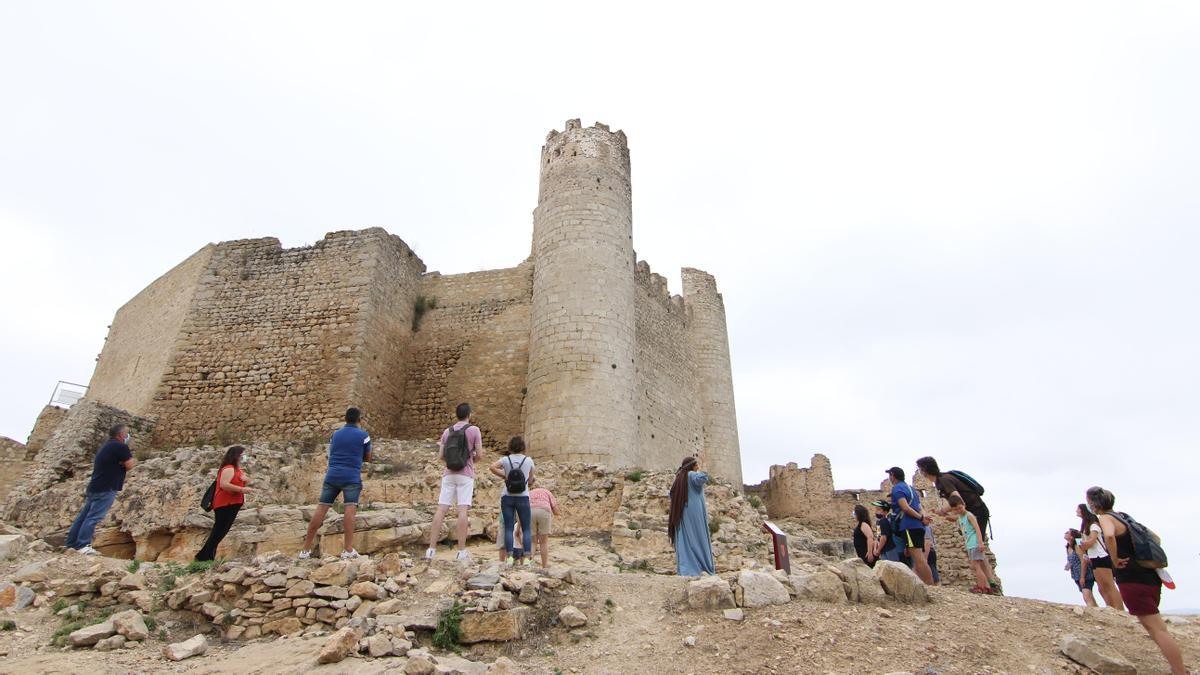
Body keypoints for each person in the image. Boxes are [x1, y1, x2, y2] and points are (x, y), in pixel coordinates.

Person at [1088, 486, 1186, 675]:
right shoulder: (1124, 517)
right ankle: (1178, 670)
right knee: (1155, 628)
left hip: (1133, 579)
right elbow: (1155, 537)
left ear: (1094, 503)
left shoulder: (1105, 519)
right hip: (1150, 576)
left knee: (1157, 630)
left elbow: (1108, 535)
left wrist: (1115, 560)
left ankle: (1180, 671)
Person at [916, 456, 999, 593]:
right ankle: (990, 584)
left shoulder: (943, 481)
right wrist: (950, 515)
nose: (920, 473)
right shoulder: (942, 480)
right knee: (978, 552)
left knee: (977, 550)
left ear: (925, 470)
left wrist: (944, 510)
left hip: (976, 512)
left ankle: (987, 586)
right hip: (976, 511)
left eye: (920, 469)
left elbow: (957, 499)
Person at [299, 407, 372, 560]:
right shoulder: (364, 436)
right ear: (359, 420)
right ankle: (348, 549)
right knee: (349, 510)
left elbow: (333, 452)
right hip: (351, 476)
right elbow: (368, 457)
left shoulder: (335, 435)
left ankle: (305, 550)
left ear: (345, 419)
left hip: (332, 475)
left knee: (321, 509)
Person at [66, 424, 136, 555]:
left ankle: (71, 544)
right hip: (107, 487)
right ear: (121, 435)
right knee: (93, 517)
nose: (128, 436)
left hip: (95, 486)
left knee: (83, 516)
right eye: (127, 433)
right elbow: (130, 464)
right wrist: (124, 462)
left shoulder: (106, 446)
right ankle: (83, 545)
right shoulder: (120, 446)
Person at [425, 403, 482, 563]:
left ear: (456, 415)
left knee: (441, 509)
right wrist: (470, 460)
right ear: (469, 415)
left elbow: (441, 456)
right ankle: (461, 551)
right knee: (462, 510)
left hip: (448, 474)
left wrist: (452, 461)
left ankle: (431, 549)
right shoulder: (474, 430)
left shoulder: (447, 431)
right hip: (466, 474)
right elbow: (480, 455)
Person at [195, 445, 252, 561]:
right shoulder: (229, 468)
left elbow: (240, 483)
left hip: (234, 503)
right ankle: (203, 557)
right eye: (242, 454)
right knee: (219, 530)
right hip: (225, 503)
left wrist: (244, 481)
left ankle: (206, 556)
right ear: (236, 455)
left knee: (222, 531)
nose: (244, 457)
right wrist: (242, 489)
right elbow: (224, 484)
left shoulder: (238, 470)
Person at [490, 436, 535, 566]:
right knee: (526, 528)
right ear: (523, 447)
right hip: (523, 496)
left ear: (510, 447)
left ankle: (509, 557)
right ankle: (526, 558)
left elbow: (492, 467)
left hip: (507, 496)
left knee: (509, 528)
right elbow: (531, 479)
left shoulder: (505, 459)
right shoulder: (528, 460)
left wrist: (504, 475)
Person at [885, 467, 933, 584]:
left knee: (919, 559)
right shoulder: (911, 489)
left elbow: (905, 507)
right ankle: (925, 583)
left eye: (889, 475)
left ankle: (930, 585)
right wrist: (923, 518)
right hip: (917, 527)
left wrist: (921, 518)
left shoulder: (897, 489)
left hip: (909, 526)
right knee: (917, 557)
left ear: (893, 475)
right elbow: (919, 507)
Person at [668, 456, 715, 576]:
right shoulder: (691, 475)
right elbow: (704, 477)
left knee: (684, 539)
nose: (697, 467)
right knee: (699, 538)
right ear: (692, 466)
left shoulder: (679, 478)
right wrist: (704, 467)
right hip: (695, 513)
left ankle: (686, 568)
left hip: (682, 514)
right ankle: (701, 566)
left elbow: (671, 495)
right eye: (696, 465)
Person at [1077, 503, 1123, 610]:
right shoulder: (1086, 526)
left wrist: (1083, 544)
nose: (1076, 511)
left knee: (1109, 585)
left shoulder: (1093, 525)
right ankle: (1111, 607)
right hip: (1094, 557)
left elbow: (1091, 541)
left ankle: (1119, 608)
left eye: (1078, 509)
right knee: (1102, 587)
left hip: (1101, 557)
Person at [944, 495, 993, 593]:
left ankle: (982, 587)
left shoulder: (969, 515)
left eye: (960, 508)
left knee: (976, 566)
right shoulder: (960, 517)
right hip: (970, 544)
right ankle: (985, 587)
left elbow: (977, 528)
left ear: (964, 505)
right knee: (975, 566)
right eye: (956, 509)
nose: (959, 510)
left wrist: (980, 543)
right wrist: (944, 515)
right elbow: (955, 518)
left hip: (974, 543)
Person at [1064, 528, 1098, 607]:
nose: (1065, 533)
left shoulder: (1077, 545)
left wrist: (1082, 577)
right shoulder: (1068, 546)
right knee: (1089, 596)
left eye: (1067, 532)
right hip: (1076, 574)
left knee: (1087, 596)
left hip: (1085, 574)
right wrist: (1068, 565)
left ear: (1072, 536)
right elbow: (1073, 559)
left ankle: (1093, 614)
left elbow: (1084, 560)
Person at [528, 483, 559, 569]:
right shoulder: (546, 492)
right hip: (544, 511)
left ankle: (529, 563)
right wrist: (558, 513)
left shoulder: (529, 493)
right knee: (543, 542)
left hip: (530, 511)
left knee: (532, 541)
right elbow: (555, 510)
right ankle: (544, 566)